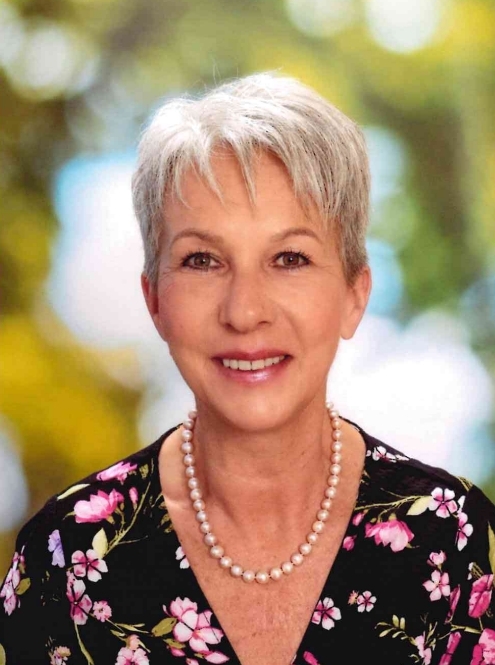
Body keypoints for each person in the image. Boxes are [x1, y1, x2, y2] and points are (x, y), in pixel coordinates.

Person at [1, 73, 494, 665]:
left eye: (289, 258)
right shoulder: (65, 556)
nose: (245, 311)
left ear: (354, 294)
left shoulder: (454, 536)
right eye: (202, 260)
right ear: (154, 299)